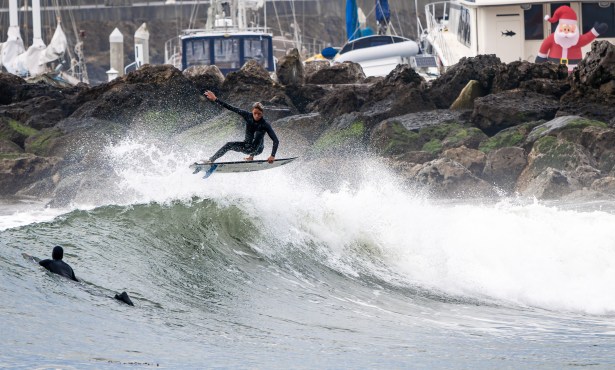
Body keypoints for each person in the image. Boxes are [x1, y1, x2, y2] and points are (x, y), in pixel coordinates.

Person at [203, 90, 279, 164]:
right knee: (228, 145)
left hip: (258, 149)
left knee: (260, 132)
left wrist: (272, 156)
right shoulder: (247, 115)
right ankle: (211, 160)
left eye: (259, 114)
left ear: (262, 113)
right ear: (252, 111)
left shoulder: (265, 124)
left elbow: (276, 140)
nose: (257, 116)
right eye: (255, 113)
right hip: (246, 147)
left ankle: (251, 156)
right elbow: (231, 108)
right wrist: (216, 99)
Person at [535, 5, 608, 72]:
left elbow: (587, 38)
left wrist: (595, 31)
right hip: (554, 70)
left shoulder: (577, 39)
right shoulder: (552, 38)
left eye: (569, 29)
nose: (566, 32)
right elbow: (544, 46)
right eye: (564, 29)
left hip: (574, 71)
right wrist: (541, 58)